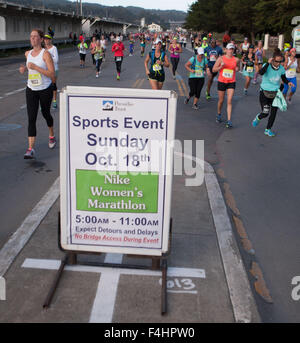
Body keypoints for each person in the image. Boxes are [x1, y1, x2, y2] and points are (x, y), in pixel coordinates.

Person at [19, 29, 56, 159]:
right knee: (31, 118)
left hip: (45, 89)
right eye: (31, 36)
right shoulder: (27, 53)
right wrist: (25, 68)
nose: (32, 38)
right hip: (31, 89)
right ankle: (30, 149)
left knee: (46, 113)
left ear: (41, 39)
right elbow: (29, 66)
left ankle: (51, 135)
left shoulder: (45, 54)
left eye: (35, 36)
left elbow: (52, 75)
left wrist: (36, 68)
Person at [252, 49, 294, 137]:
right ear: (272, 59)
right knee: (265, 113)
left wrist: (288, 82)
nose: (278, 63)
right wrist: (267, 63)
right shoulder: (267, 66)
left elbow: (283, 78)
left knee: (274, 113)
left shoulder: (281, 68)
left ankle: (268, 129)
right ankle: (258, 117)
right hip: (264, 92)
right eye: (276, 61)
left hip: (275, 93)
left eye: (280, 61)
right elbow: (261, 72)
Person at [213, 43, 240, 128]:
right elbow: (214, 69)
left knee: (229, 100)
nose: (231, 51)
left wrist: (237, 69)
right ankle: (219, 114)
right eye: (229, 49)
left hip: (231, 82)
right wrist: (220, 67)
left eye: (232, 49)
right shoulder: (221, 59)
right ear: (226, 50)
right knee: (221, 100)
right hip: (222, 81)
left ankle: (229, 120)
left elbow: (238, 68)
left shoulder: (236, 59)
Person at [43, 34, 59, 109]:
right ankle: (44, 103)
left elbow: (56, 60)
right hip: (45, 70)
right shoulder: (42, 49)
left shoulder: (54, 48)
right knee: (44, 87)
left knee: (53, 86)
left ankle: (54, 101)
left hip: (54, 70)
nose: (46, 40)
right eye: (45, 39)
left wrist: (48, 57)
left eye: (47, 39)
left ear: (50, 40)